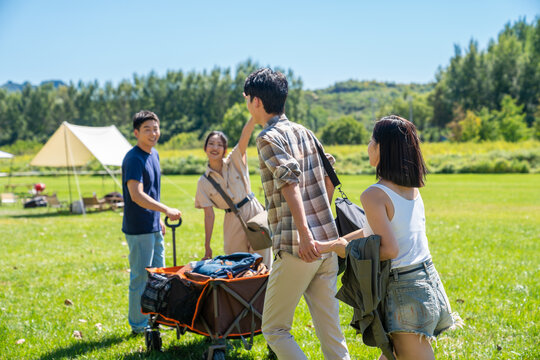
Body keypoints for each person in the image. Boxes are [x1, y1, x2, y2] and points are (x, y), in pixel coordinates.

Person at [317, 115, 462, 360]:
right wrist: (330, 245)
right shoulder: (410, 189)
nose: (368, 147)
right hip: (425, 279)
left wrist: (348, 250)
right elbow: (374, 232)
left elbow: (389, 248)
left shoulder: (374, 194)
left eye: (371, 140)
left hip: (403, 289)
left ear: (381, 147)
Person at [244, 68, 350, 360]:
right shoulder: (306, 132)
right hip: (327, 244)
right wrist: (319, 223)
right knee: (331, 332)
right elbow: (330, 174)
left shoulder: (267, 137)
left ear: (255, 101)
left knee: (274, 329)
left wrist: (305, 234)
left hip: (298, 247)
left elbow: (288, 181)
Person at [121, 110, 182, 335]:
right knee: (140, 276)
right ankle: (138, 325)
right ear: (136, 133)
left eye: (155, 128)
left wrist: (158, 218)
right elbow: (136, 195)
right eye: (147, 129)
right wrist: (165, 209)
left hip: (153, 225)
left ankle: (154, 318)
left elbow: (152, 192)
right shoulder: (133, 158)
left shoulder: (153, 154)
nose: (153, 133)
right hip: (139, 229)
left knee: (159, 275)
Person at [194, 121, 273, 267]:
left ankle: (264, 290)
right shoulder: (203, 182)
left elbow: (245, 136)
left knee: (263, 264)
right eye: (211, 143)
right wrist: (207, 245)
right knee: (236, 264)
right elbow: (209, 215)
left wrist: (253, 115)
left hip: (253, 211)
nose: (215, 147)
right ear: (205, 148)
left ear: (224, 149)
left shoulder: (235, 160)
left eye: (219, 144)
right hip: (232, 220)